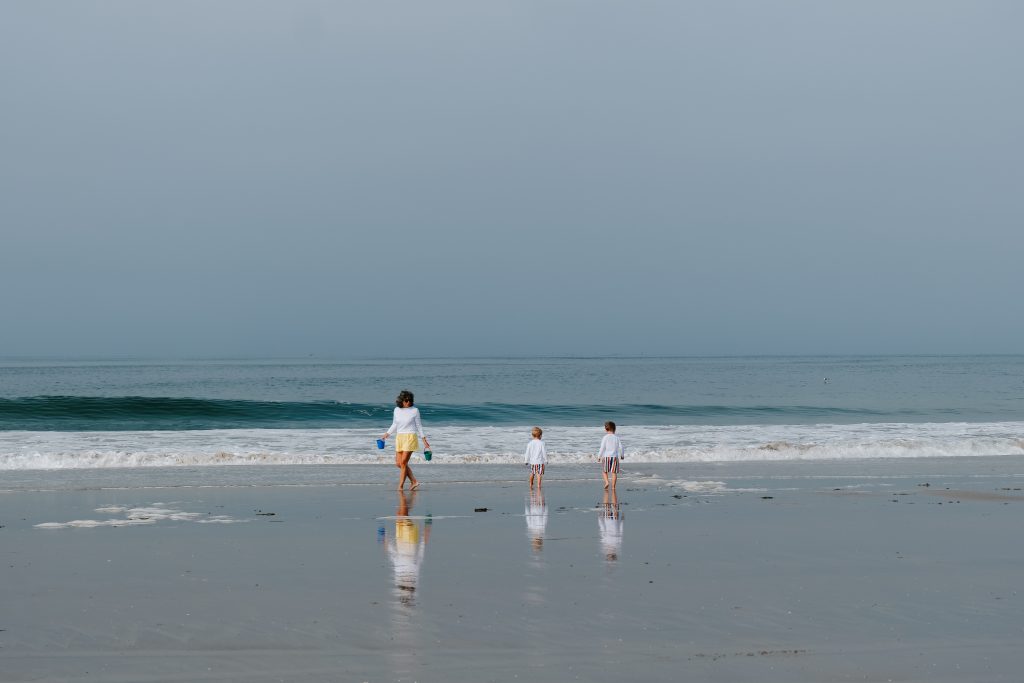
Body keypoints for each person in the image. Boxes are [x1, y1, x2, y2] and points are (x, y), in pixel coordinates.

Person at [381, 390, 430, 490]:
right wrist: (387, 434)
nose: (408, 402)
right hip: (400, 437)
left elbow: (419, 426)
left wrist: (424, 440)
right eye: (406, 400)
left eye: (410, 400)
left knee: (403, 463)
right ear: (401, 401)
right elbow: (394, 424)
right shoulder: (396, 410)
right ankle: (414, 481)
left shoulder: (415, 410)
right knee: (398, 464)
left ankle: (400, 486)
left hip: (410, 437)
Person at [597, 420, 624, 490]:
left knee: (604, 471)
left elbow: (602, 448)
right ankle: (613, 487)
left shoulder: (605, 437)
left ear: (606, 429)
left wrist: (599, 456)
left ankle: (606, 482)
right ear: (614, 429)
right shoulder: (617, 438)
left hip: (606, 457)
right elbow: (621, 447)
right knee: (614, 473)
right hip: (615, 457)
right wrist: (622, 455)